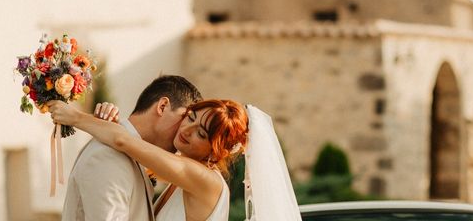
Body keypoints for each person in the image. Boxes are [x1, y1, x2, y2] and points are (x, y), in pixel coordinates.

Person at [49, 98, 302, 221]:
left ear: (215, 151)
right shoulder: (181, 178)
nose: (187, 130)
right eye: (191, 117)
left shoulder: (205, 180)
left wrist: (75, 117)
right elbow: (133, 151)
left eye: (201, 133)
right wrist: (110, 117)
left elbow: (125, 141)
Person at [59, 74, 202, 221]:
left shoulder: (130, 156)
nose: (184, 131)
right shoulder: (108, 155)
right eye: (185, 118)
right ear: (162, 106)